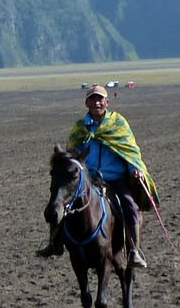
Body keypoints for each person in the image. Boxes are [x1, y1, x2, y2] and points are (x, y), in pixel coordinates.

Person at [38, 85, 156, 269]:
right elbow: (73, 154)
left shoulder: (118, 123)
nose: (97, 103)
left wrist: (135, 168)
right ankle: (54, 243)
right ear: (87, 103)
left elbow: (130, 150)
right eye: (93, 99)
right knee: (60, 202)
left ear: (107, 102)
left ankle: (133, 251)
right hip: (89, 179)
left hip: (115, 179)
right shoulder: (80, 127)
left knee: (130, 206)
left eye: (100, 99)